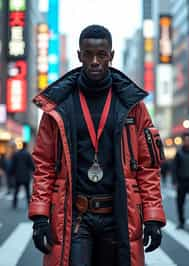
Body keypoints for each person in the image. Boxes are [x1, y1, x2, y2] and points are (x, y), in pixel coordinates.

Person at [28, 25, 166, 266]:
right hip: (76, 216)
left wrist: (153, 216)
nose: (94, 61)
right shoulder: (58, 106)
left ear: (111, 56)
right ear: (79, 55)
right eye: (88, 54)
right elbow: (44, 165)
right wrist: (40, 216)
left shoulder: (133, 105)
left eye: (101, 55)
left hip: (119, 214)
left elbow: (147, 166)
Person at [11, 142, 34, 209]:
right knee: (27, 191)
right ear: (26, 146)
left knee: (16, 191)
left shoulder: (16, 154)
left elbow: (13, 165)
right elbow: (31, 165)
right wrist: (34, 171)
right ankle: (29, 204)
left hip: (17, 176)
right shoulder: (27, 154)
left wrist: (12, 173)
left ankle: (14, 204)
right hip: (26, 176)